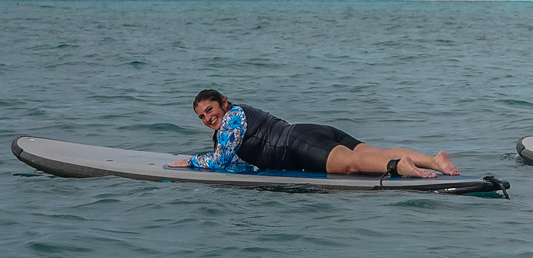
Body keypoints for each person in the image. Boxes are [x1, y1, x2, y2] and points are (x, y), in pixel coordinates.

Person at [167, 89, 459, 178]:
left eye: (210, 109)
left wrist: (191, 162)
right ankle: (434, 161)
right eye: (202, 116)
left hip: (298, 145)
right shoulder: (240, 114)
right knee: (368, 154)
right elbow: (236, 160)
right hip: (310, 132)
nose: (208, 118)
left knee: (353, 165)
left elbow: (219, 162)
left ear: (224, 103)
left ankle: (398, 167)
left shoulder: (231, 121)